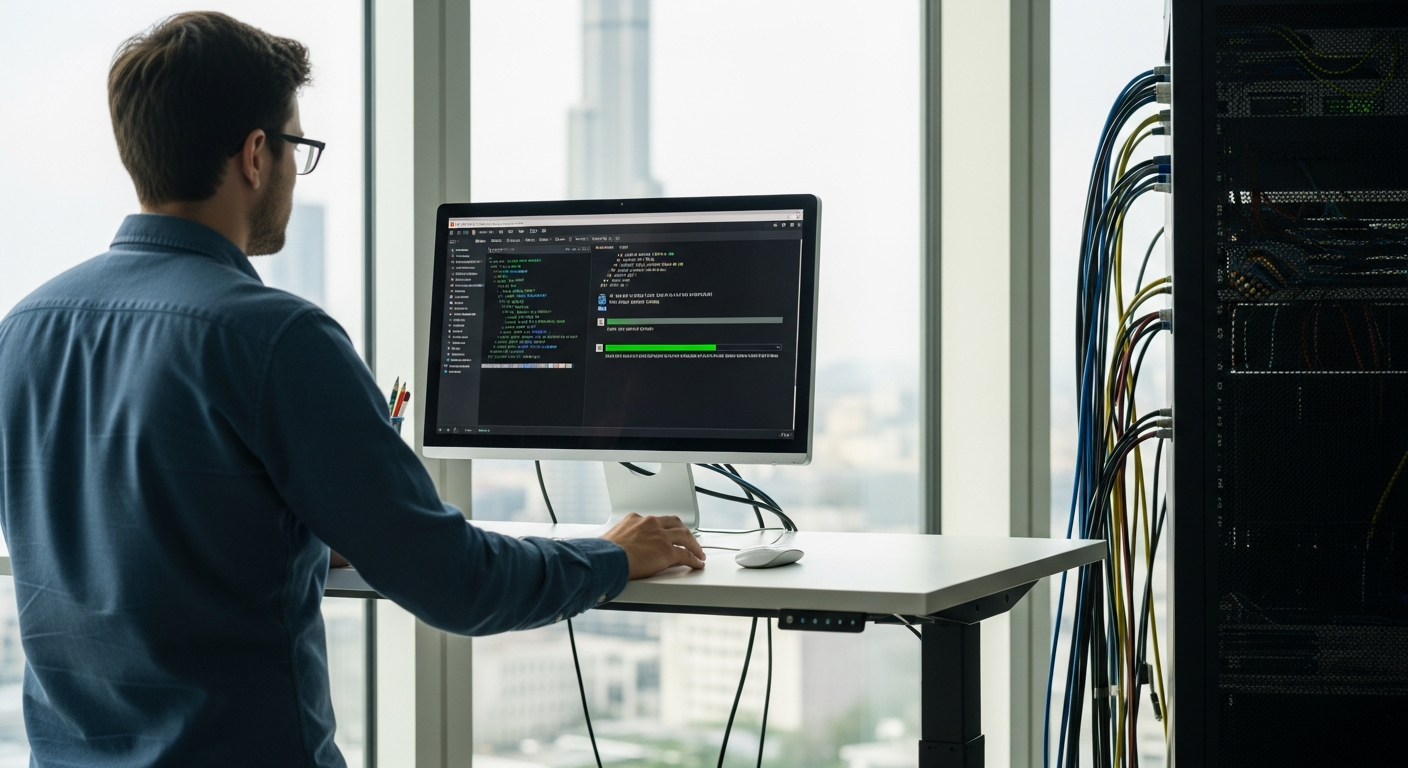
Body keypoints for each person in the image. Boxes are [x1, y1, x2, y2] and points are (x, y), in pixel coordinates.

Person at [0, 11, 705, 767]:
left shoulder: (23, 329)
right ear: (255, 155)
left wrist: (293, 534)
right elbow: (456, 585)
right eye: (298, 147)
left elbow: (120, 535)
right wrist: (610, 557)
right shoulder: (275, 338)